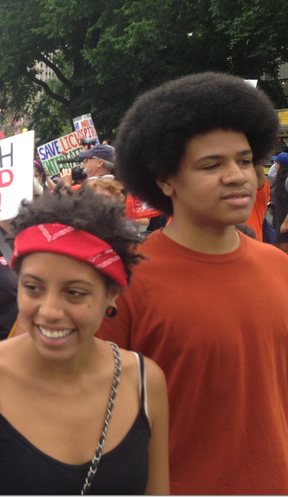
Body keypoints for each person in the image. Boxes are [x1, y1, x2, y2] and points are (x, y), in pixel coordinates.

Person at [97, 72, 288, 494]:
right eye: (211, 165)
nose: (237, 175)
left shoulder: (279, 267)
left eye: (243, 160)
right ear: (165, 180)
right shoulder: (124, 283)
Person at [0, 191, 169, 495]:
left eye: (74, 293)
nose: (49, 312)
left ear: (112, 294)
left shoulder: (144, 382)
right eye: (33, 288)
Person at [271, 152, 288, 254]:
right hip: (278, 221)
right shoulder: (279, 180)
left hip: (284, 223)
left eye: (276, 163)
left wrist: (286, 223)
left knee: (284, 251)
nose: (274, 165)